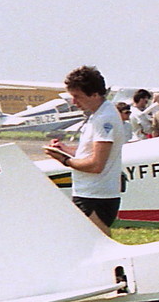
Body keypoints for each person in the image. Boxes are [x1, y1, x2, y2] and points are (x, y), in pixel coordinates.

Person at [42, 65, 127, 233]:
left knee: (93, 245)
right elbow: (91, 154)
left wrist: (65, 160)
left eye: (77, 97)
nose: (74, 102)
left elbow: (96, 165)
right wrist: (65, 149)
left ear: (94, 94)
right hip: (90, 192)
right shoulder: (98, 115)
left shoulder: (104, 118)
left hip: (95, 195)